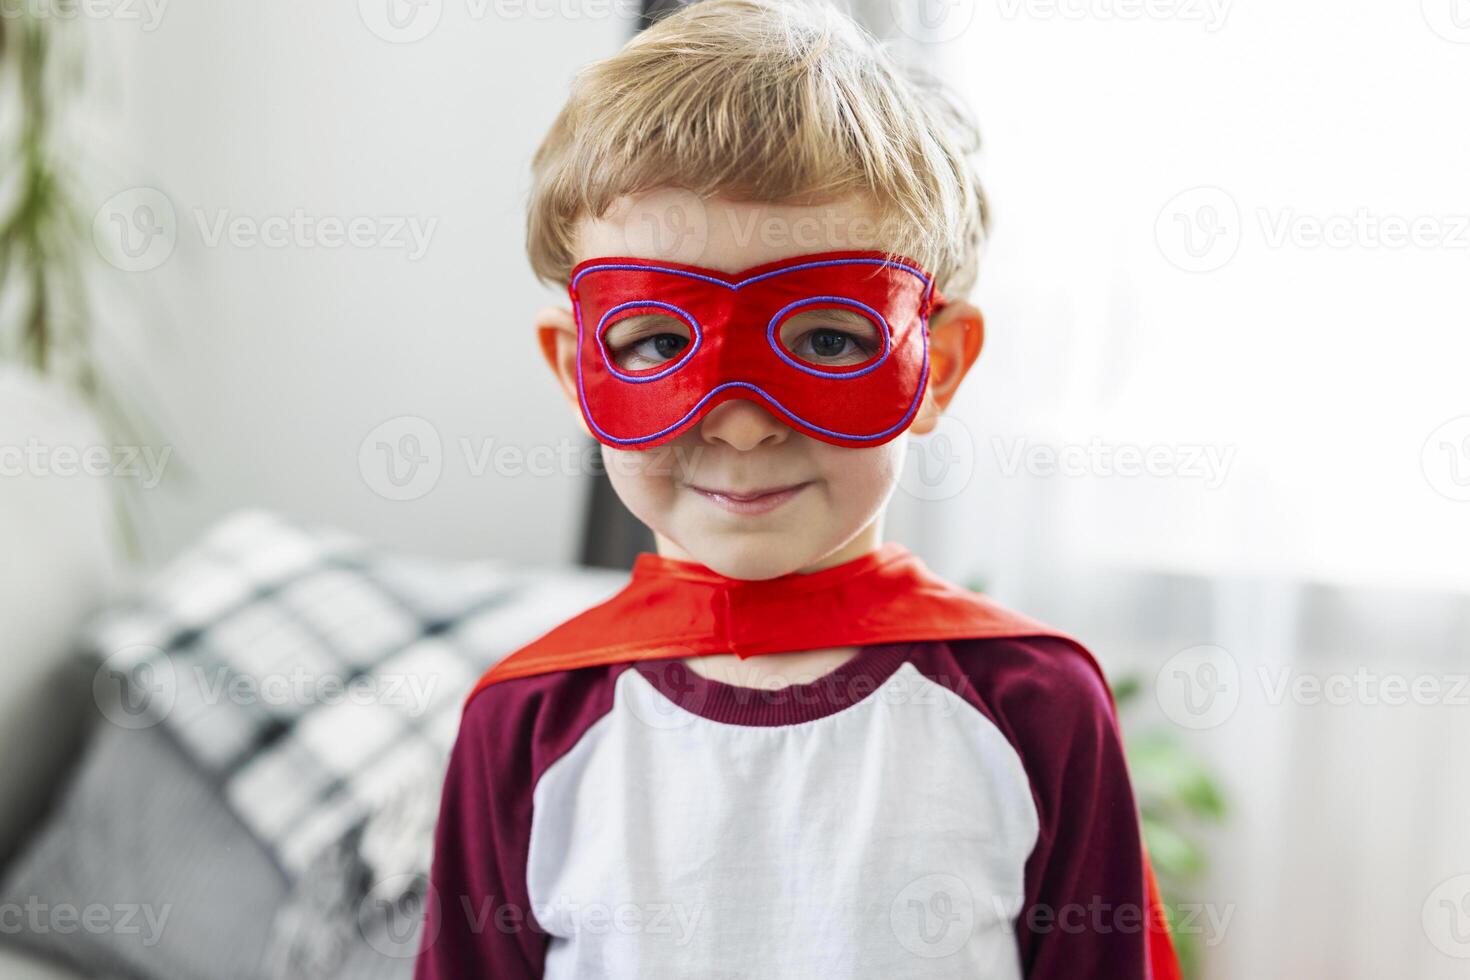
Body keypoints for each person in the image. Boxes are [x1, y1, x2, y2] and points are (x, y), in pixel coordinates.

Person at [414, 1, 1181, 976]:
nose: (742, 422)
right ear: (576, 370)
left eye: (828, 339)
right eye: (658, 340)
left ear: (936, 365)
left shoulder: (1036, 703)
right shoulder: (526, 720)